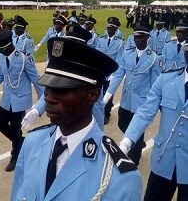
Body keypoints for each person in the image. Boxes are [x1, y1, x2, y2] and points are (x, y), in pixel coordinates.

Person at [10, 35, 142, 201]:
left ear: (93, 95)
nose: (48, 97)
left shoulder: (120, 177)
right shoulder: (32, 143)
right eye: (48, 88)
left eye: (62, 90)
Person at [119, 43, 188, 201]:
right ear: (185, 54)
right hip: (164, 159)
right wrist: (126, 142)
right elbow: (145, 111)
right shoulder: (166, 79)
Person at [103, 22, 161, 165]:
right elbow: (118, 75)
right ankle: (136, 140)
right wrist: (108, 94)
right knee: (122, 124)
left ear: (147, 38)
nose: (138, 40)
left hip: (141, 102)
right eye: (136, 37)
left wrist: (152, 103)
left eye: (141, 37)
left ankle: (132, 162)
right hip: (126, 100)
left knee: (137, 128)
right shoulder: (127, 54)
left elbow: (155, 84)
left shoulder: (154, 58)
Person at [0, 31, 44, 172]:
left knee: (15, 128)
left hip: (20, 100)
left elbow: (36, 80)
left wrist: (42, 103)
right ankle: (22, 142)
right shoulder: (1, 57)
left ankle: (16, 154)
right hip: (7, 98)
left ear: (7, 47)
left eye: (0, 49)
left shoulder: (24, 58)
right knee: (0, 124)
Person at [96, 16, 124, 125]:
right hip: (101, 71)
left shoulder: (120, 42)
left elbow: (119, 59)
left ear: (116, 29)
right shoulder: (101, 39)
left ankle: (106, 114)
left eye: (112, 28)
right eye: (108, 28)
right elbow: (98, 54)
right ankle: (97, 112)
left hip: (111, 72)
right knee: (98, 92)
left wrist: (114, 74)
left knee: (108, 93)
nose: (109, 30)